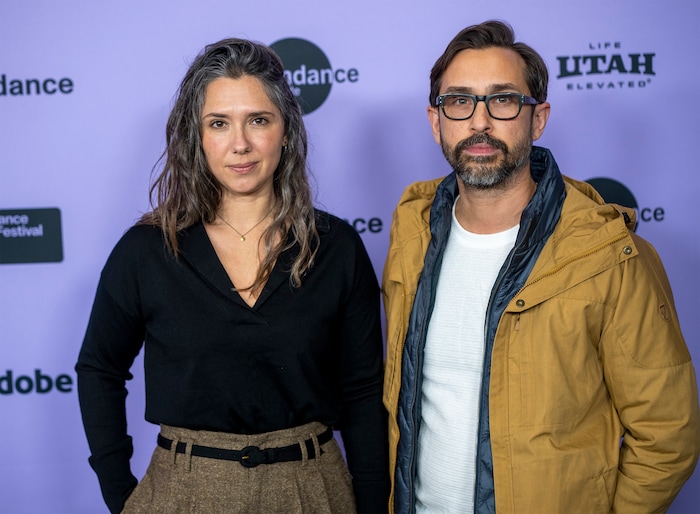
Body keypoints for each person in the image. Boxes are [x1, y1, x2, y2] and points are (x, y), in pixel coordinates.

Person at [382, 20, 700, 514]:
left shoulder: (608, 255)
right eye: (459, 101)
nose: (479, 122)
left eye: (503, 100)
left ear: (539, 118)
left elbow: (668, 433)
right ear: (435, 120)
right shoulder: (411, 232)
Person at [76, 38, 388, 514]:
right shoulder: (148, 249)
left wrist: (370, 502)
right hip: (183, 492)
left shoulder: (337, 247)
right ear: (196, 137)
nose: (240, 143)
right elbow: (99, 369)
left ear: (285, 130)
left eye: (258, 120)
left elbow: (363, 391)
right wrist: (122, 495)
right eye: (219, 123)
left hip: (312, 489)